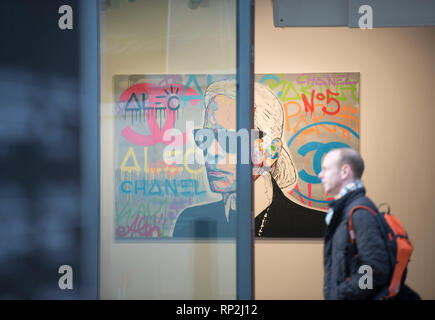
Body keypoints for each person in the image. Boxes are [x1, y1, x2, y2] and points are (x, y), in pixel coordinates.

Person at [172, 79, 325, 238]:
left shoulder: (314, 227)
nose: (211, 152)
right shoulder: (191, 222)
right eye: (206, 137)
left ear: (271, 152)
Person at [318, 148, 391, 299]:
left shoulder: (360, 212)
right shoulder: (345, 210)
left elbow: (375, 270)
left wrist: (340, 294)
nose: (320, 175)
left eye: (325, 169)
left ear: (345, 172)